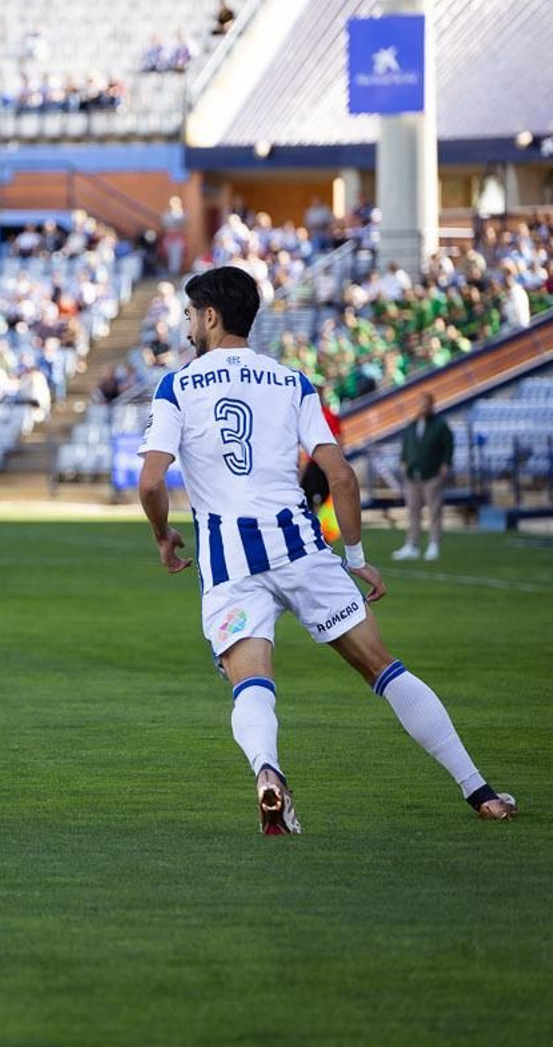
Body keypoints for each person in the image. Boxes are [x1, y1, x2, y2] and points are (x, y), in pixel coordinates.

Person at [136, 266, 515, 835]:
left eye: (190, 314)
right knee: (384, 669)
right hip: (302, 549)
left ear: (210, 316)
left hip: (229, 563)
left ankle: (268, 772)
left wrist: (164, 536)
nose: (188, 325)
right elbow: (340, 475)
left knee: (251, 684)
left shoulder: (177, 386)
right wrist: (356, 556)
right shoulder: (292, 381)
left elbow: (149, 481)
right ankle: (479, 790)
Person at [393, 394, 452, 562]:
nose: (423, 408)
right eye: (420, 404)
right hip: (412, 475)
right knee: (412, 510)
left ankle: (434, 544)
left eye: (426, 405)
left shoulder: (440, 425)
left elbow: (448, 446)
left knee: (434, 510)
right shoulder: (411, 425)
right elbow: (405, 447)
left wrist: (445, 464)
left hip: (432, 474)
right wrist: (404, 463)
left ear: (432, 405)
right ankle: (412, 545)